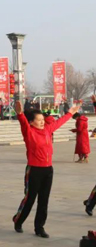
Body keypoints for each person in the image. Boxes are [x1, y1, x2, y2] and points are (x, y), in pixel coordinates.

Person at [12, 100, 78, 237]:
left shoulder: (47, 130)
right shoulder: (29, 132)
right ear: (31, 122)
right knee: (29, 199)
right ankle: (18, 220)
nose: (42, 122)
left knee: (44, 200)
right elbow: (23, 122)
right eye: (39, 120)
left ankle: (39, 227)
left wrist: (70, 113)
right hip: (34, 170)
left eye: (43, 119)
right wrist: (19, 114)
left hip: (48, 170)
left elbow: (59, 122)